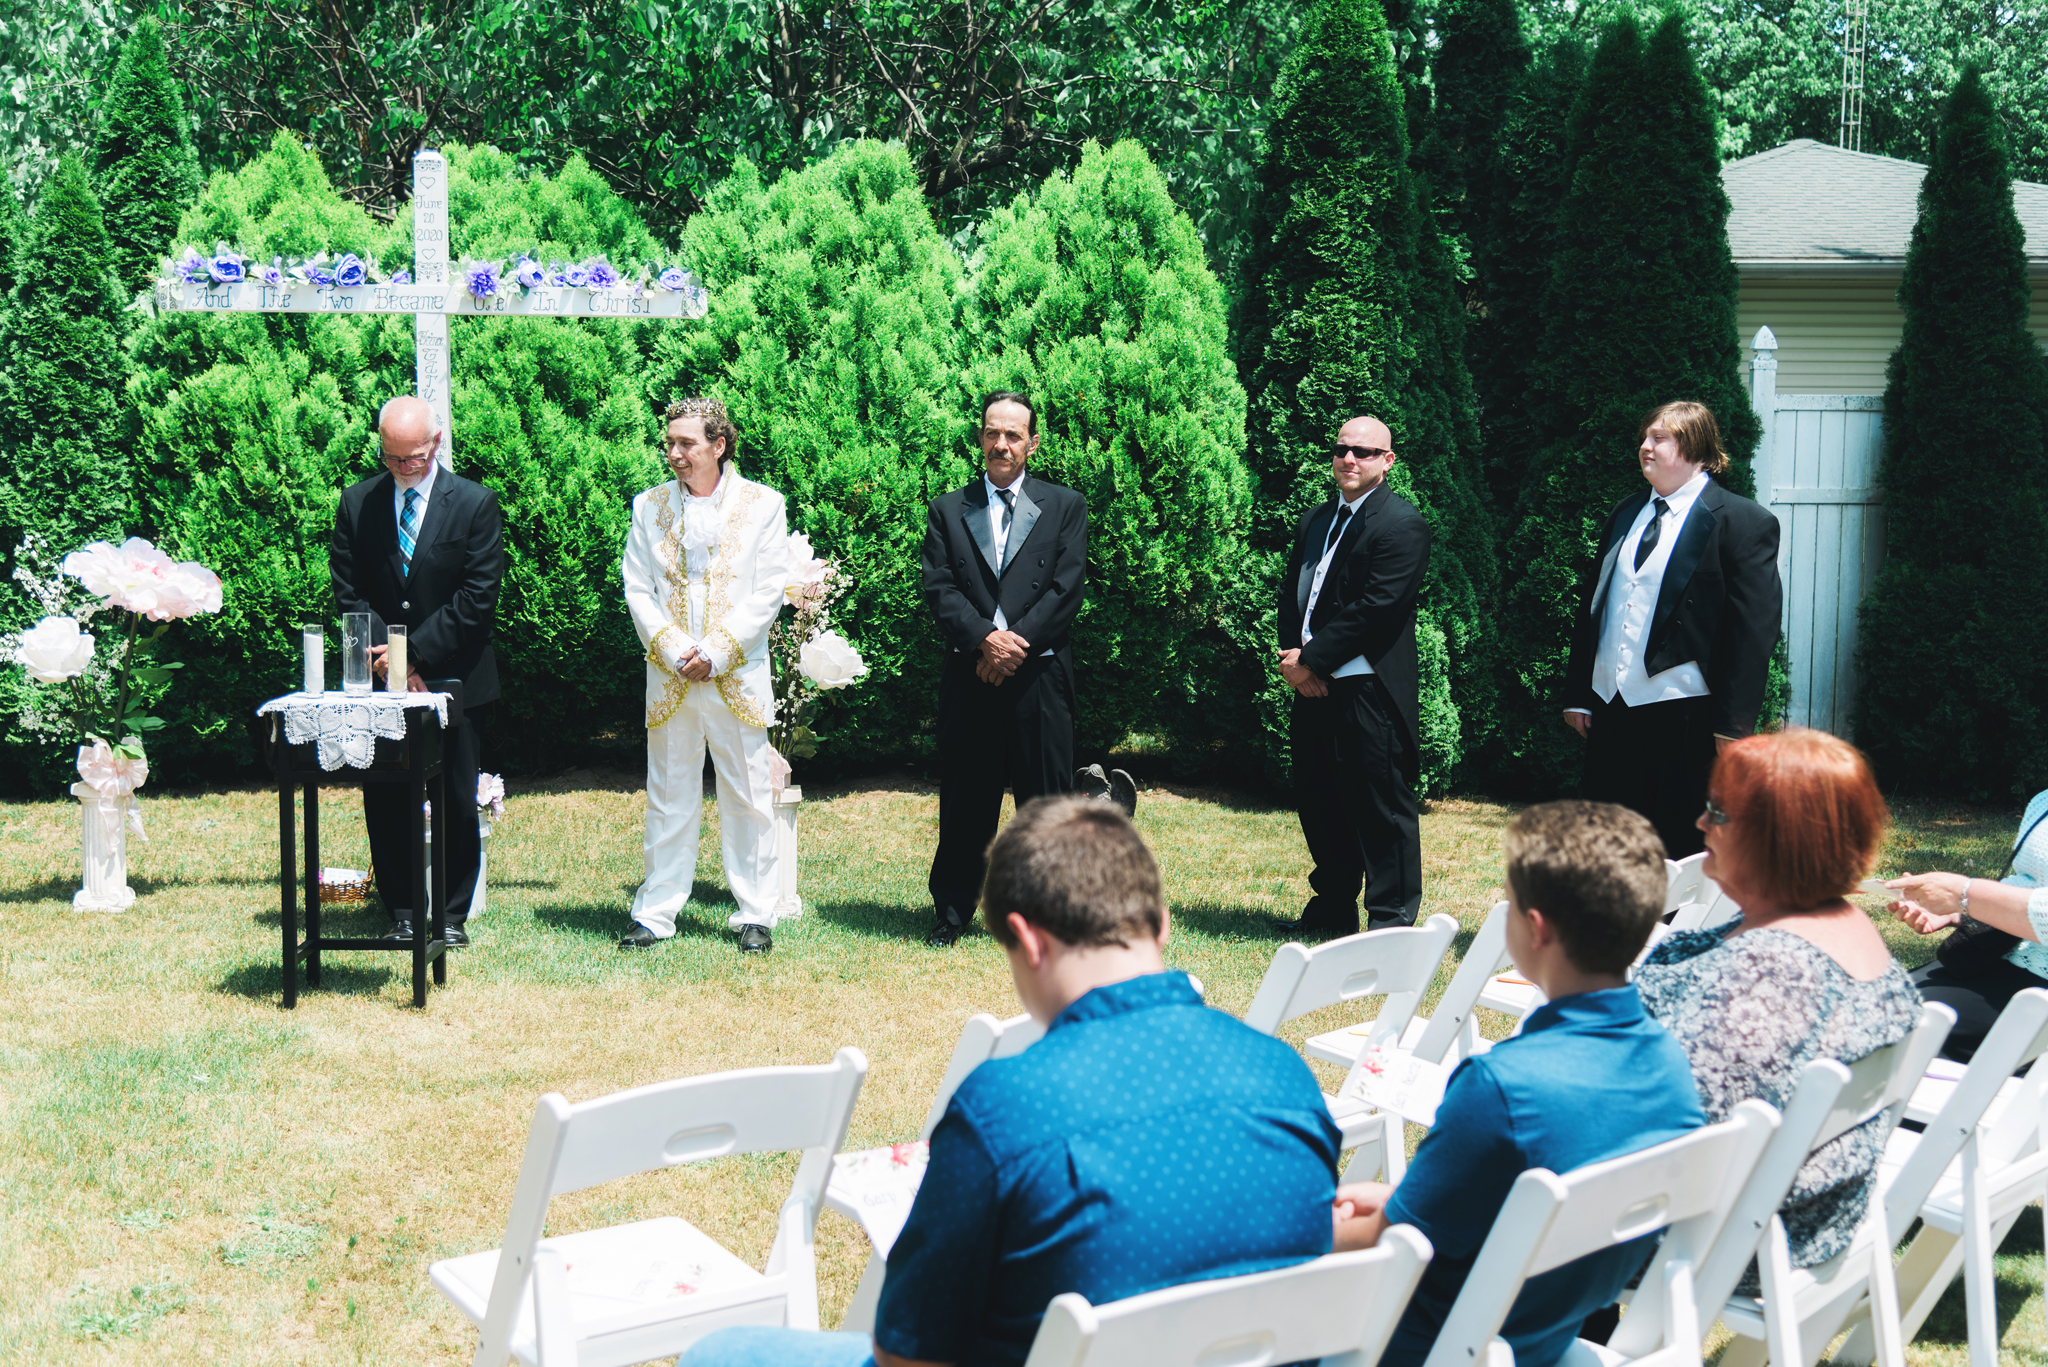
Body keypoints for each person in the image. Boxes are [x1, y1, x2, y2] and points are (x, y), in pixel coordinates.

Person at [678, 796, 1343, 1367]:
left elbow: (909, 1353)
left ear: (1027, 940)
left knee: (724, 1352)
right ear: (1161, 923)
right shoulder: (1285, 1076)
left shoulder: (1006, 1111)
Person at [1328, 800, 1705, 1367]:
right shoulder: (1670, 1067)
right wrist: (1397, 1202)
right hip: (1541, 1337)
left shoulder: (1500, 1089)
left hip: (1417, 1345)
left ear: (1535, 928)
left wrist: (1304, 1229)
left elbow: (1400, 1243)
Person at [1634, 728, 1921, 1287]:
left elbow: (1678, 1132)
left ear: (1779, 837)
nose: (1700, 823)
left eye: (1718, 813)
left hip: (1717, 1237)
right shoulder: (1839, 924)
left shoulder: (1766, 973)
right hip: (1799, 1217)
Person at [1562, 401, 1782, 858]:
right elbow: (1595, 606)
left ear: (1696, 448)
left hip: (1685, 716)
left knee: (1678, 846)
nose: (1645, 446)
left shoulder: (1742, 522)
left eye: (1659, 438)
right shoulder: (1626, 513)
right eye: (1645, 437)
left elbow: (1753, 631)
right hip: (1611, 706)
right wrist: (1579, 693)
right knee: (1608, 841)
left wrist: (1734, 725)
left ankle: (1675, 910)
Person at [329, 395, 504, 947]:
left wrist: (412, 656)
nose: (405, 466)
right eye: (393, 456)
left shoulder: (475, 503)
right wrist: (391, 664)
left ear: (437, 442)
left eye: (416, 457)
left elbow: (477, 598)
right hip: (381, 680)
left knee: (454, 798)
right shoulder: (357, 503)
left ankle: (450, 917)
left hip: (455, 677)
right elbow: (350, 593)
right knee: (385, 798)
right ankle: (403, 910)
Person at [617, 398, 791, 955]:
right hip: (671, 680)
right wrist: (675, 650)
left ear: (719, 445)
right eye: (669, 443)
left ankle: (755, 914)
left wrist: (715, 652)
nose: (674, 453)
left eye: (686, 443)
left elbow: (768, 590)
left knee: (748, 798)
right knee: (669, 796)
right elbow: (637, 587)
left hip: (736, 675)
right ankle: (655, 911)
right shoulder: (648, 506)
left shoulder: (764, 505)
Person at [919, 393, 1088, 947]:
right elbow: (939, 588)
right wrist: (984, 642)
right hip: (972, 672)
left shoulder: (1065, 506)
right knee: (965, 799)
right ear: (981, 438)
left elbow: (1066, 589)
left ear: (1032, 443)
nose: (1001, 444)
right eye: (992, 433)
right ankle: (952, 910)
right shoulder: (949, 508)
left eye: (1013, 435)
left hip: (1038, 675)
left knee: (1046, 801)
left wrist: (1013, 647)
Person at [1275, 415, 1432, 938]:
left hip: (1368, 689)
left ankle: (1391, 923)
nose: (1349, 458)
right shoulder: (1317, 519)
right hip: (1313, 685)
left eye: (1363, 452)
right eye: (1342, 448)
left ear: (1387, 461)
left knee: (1381, 809)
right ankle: (1332, 910)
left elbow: (1377, 608)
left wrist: (1312, 660)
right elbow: (1292, 594)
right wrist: (1294, 661)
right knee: (1320, 801)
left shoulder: (1403, 524)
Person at [1885, 788, 2048, 1062]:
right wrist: (1957, 912)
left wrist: (1964, 895)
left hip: (2036, 987)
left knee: (1887, 1025)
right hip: (2002, 954)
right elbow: (2031, 882)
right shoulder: (2043, 801)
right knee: (1873, 1000)